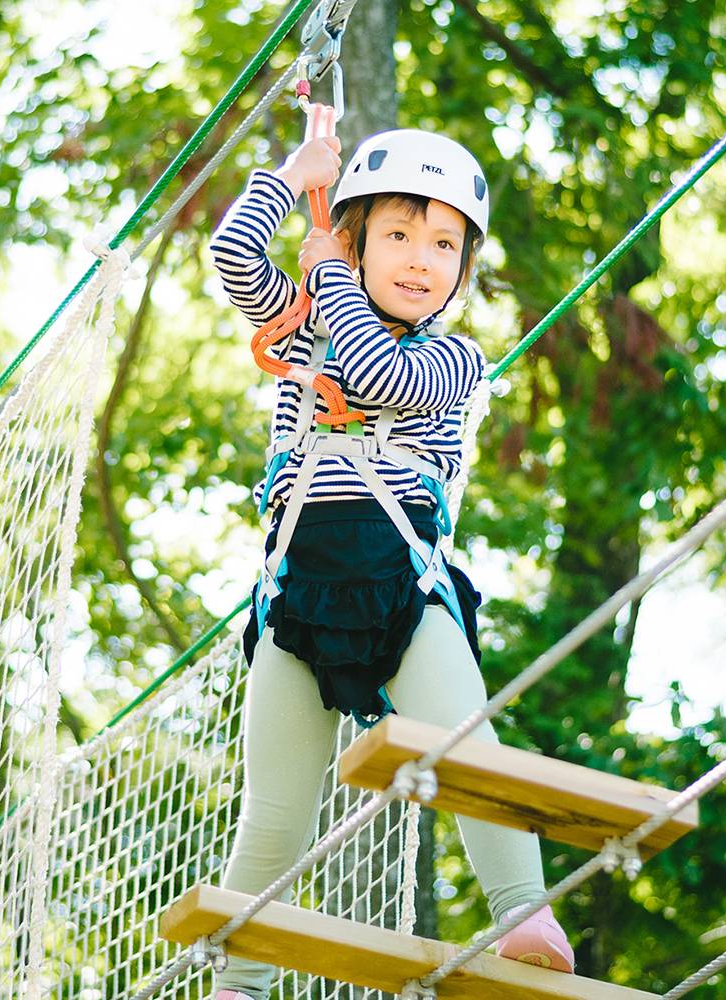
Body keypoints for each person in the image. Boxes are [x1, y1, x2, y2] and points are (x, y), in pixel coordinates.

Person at [208, 127, 574, 999]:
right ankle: (240, 984)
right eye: (399, 236)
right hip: (292, 602)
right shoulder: (302, 332)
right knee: (273, 811)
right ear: (360, 236)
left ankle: (526, 912)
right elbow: (231, 256)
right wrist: (296, 178)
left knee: (466, 748)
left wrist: (328, 263)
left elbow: (373, 373)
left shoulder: (452, 359)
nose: (421, 260)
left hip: (405, 589)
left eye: (444, 243)